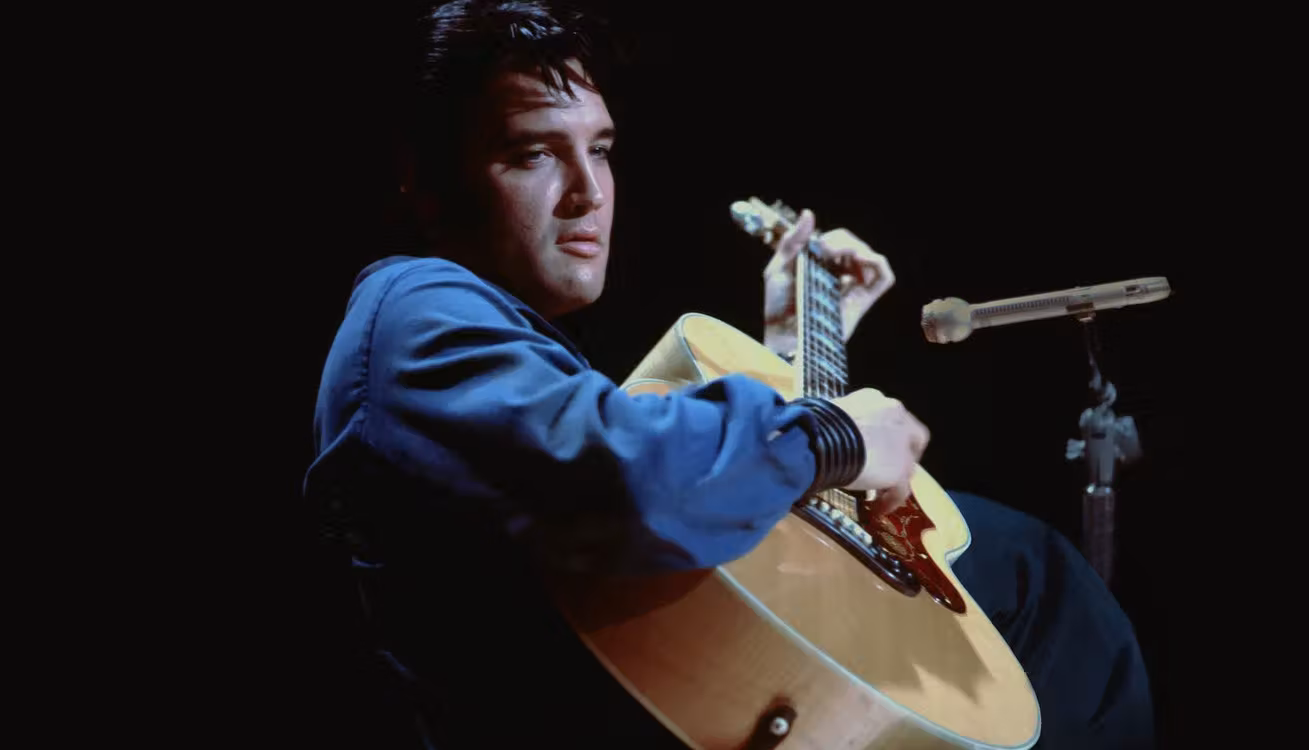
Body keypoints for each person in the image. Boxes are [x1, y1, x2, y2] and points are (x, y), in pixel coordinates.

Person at [304, 2, 1155, 747]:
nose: (587, 192)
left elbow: (672, 546)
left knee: (1013, 568)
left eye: (601, 150)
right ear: (425, 180)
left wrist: (788, 359)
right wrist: (838, 433)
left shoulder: (487, 344)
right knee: (1029, 578)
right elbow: (629, 476)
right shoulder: (413, 310)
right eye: (532, 154)